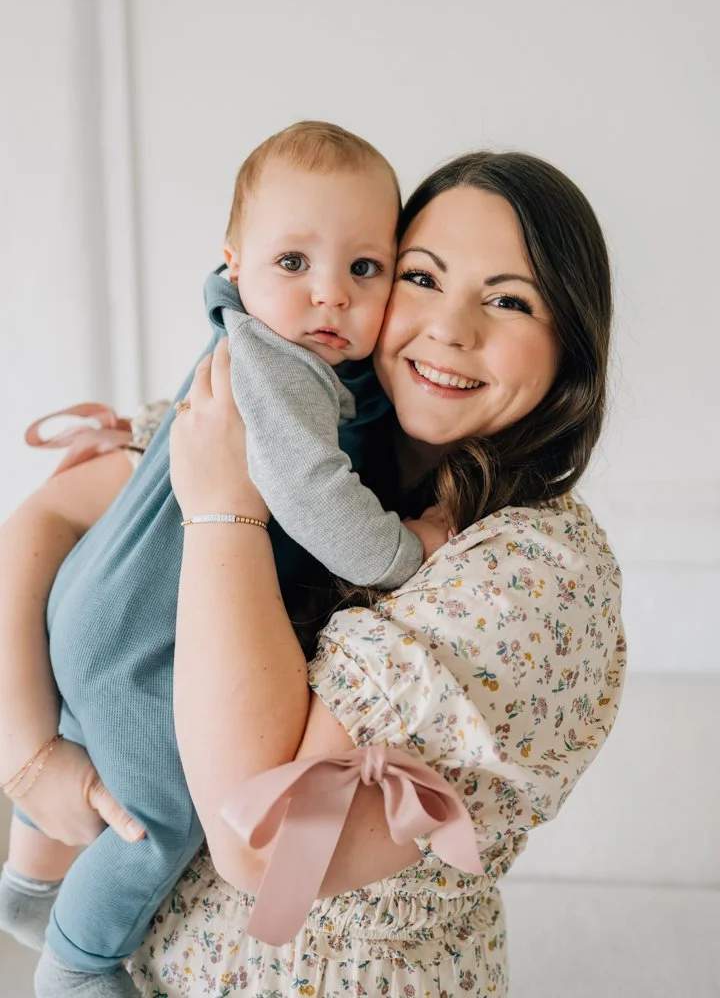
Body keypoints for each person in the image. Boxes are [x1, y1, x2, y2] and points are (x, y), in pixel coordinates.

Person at [122, 151, 626, 996]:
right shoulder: (320, 437)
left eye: (508, 299)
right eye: (422, 277)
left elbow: (269, 849)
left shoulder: (534, 580)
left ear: (571, 343)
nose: (451, 328)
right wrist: (31, 761)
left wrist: (225, 512)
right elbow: (51, 523)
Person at [0, 122, 448, 998]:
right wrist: (405, 550)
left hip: (106, 598)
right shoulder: (280, 374)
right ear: (235, 264)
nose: (330, 296)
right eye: (295, 264)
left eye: (365, 269)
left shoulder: (242, 330)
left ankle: (26, 883)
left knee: (94, 744)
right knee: (157, 813)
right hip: (143, 640)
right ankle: (75, 963)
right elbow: (317, 500)